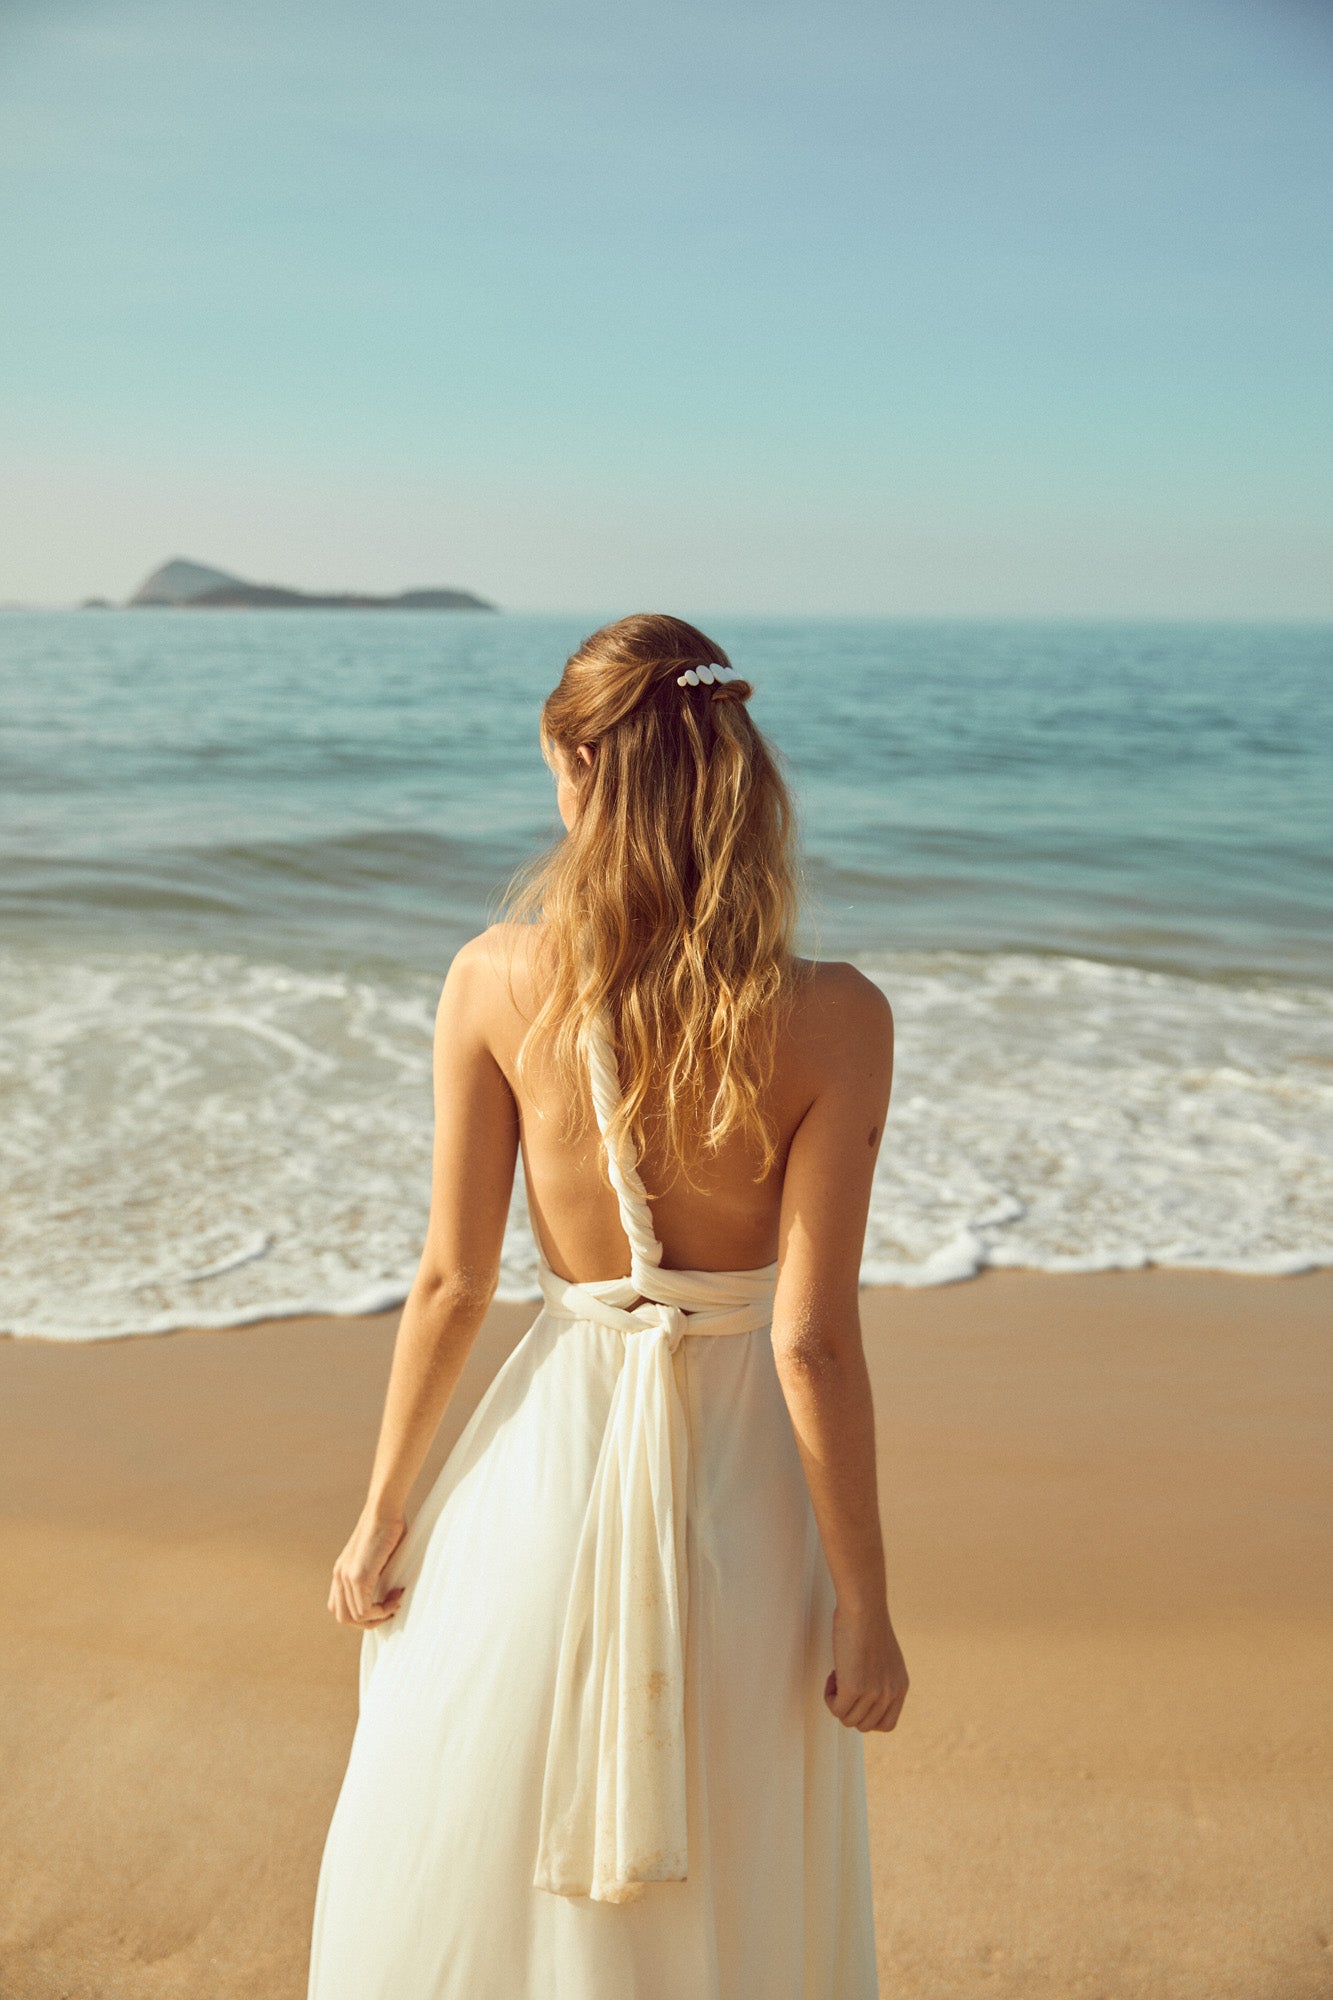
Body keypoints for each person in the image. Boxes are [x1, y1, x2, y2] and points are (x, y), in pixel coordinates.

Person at [308, 614, 908, 2000]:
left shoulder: (491, 978)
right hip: (742, 1481)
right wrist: (865, 1608)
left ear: (575, 763)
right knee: (735, 1834)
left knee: (483, 1821)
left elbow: (454, 1282)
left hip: (548, 1454)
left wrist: (383, 1513)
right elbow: (811, 1344)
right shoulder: (836, 1015)